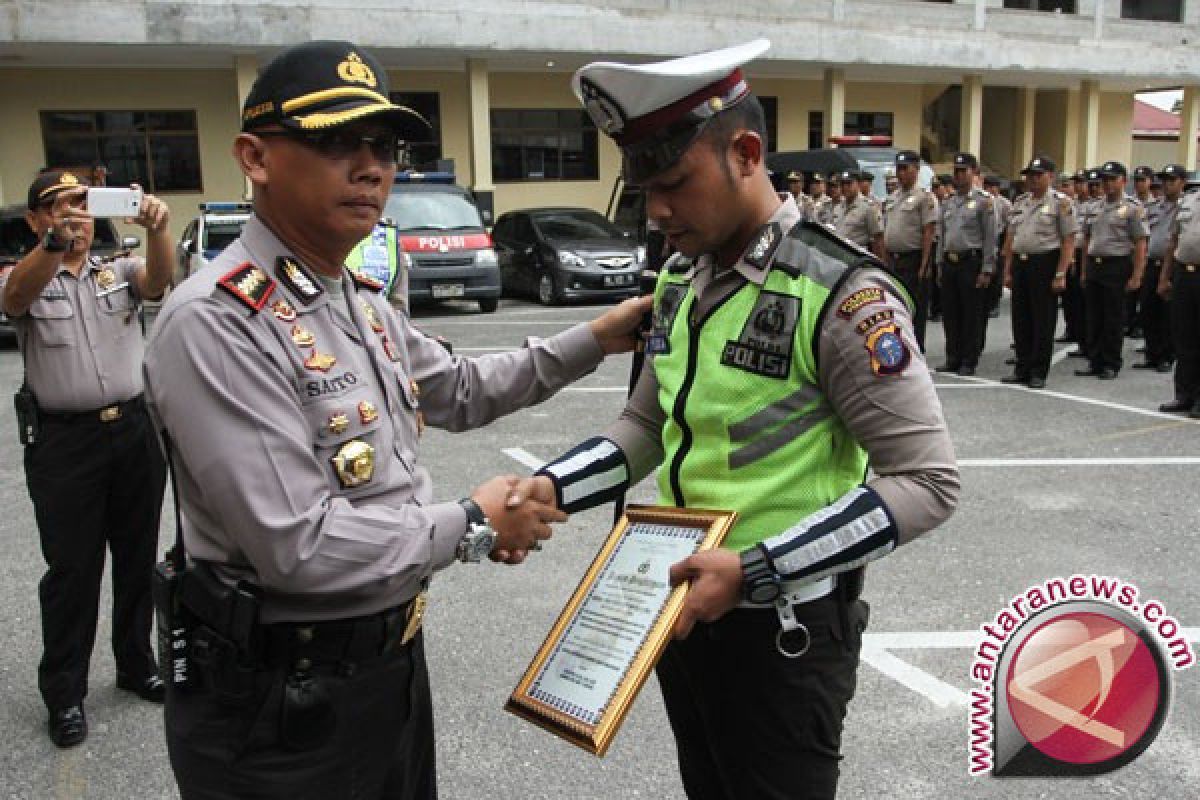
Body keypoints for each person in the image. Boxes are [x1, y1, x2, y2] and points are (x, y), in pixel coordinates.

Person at [143, 40, 649, 798]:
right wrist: (474, 522)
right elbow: (298, 545)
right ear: (255, 156)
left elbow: (461, 388)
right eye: (334, 141)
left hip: (385, 671)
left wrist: (597, 338)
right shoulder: (218, 322)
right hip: (278, 705)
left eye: (383, 145)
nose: (371, 166)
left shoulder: (354, 298)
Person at [524, 39, 958, 800]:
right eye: (643, 189)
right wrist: (552, 487)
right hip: (681, 605)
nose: (656, 213)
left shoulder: (842, 294)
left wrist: (758, 569)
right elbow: (645, 427)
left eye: (673, 185)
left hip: (782, 629)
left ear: (746, 153)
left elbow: (926, 481)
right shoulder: (680, 284)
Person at [1, 169, 173, 747]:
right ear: (34, 219)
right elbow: (14, 298)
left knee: (136, 556)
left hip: (132, 430)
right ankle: (65, 693)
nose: (73, 211)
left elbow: (158, 283)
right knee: (72, 570)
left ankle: (134, 663)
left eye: (80, 201)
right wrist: (53, 246)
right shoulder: (23, 273)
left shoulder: (116, 267)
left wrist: (158, 231)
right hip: (63, 443)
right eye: (57, 204)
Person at [1002, 156, 1077, 389]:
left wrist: (1061, 273)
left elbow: (1068, 240)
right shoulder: (1021, 202)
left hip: (1045, 263)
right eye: (1030, 175)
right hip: (1021, 263)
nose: (1033, 180)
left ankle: (1038, 371)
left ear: (1050, 177)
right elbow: (1011, 238)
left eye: (1038, 175)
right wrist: (1007, 270)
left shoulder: (1060, 203)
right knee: (1021, 318)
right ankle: (1022, 367)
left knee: (1042, 319)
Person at [1076, 161, 1147, 380]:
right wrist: (1084, 270)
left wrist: (1137, 274)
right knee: (1094, 316)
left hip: (1117, 265)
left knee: (1113, 317)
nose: (1107, 184)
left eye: (1112, 179)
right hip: (1095, 264)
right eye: (1104, 179)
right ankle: (1095, 360)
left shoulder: (1132, 208)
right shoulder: (1094, 206)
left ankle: (1111, 362)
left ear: (1123, 181)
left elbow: (1140, 242)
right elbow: (1087, 239)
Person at [935, 152, 995, 376]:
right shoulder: (948, 202)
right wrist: (939, 264)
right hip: (950, 262)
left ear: (974, 173)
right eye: (956, 171)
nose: (959, 175)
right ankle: (953, 356)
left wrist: (987, 269)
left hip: (971, 262)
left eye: (963, 171)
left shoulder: (983, 201)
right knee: (951, 313)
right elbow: (942, 236)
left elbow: (990, 238)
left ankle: (969, 359)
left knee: (971, 314)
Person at [883, 150, 938, 351]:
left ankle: (916, 350)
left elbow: (928, 232)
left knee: (915, 309)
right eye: (899, 168)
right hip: (894, 260)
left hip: (912, 259)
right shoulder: (893, 197)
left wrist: (925, 265)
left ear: (917, 170)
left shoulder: (924, 197)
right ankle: (899, 349)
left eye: (905, 168)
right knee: (895, 309)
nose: (901, 173)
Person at [1158, 168, 1200, 417]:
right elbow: (1173, 241)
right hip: (1184, 273)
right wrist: (1165, 276)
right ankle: (1184, 394)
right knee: (1184, 338)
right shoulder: (1188, 201)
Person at [1135, 165, 1183, 373]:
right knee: (1148, 309)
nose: (1166, 184)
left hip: (1172, 264)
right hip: (1152, 262)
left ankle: (1166, 356)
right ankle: (1152, 353)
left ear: (1182, 182)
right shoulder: (1154, 207)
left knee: (1167, 312)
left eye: (1171, 180)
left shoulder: (1186, 206)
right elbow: (1146, 235)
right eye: (1164, 180)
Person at [834, 169, 884, 259]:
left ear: (859, 184)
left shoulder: (868, 207)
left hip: (857, 257)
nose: (845, 187)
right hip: (838, 256)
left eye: (849, 184)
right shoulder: (838, 207)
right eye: (842, 184)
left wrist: (880, 261)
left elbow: (878, 238)